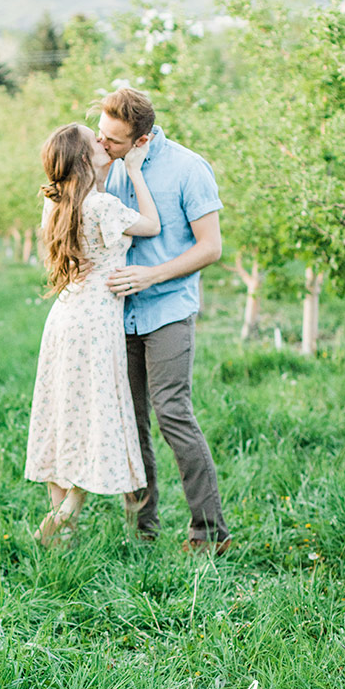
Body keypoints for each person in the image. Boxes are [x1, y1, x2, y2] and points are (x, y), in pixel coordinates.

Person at [96, 87, 230, 553]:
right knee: (130, 422)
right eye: (101, 134)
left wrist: (151, 275)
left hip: (168, 308)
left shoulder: (189, 169)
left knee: (173, 413)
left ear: (142, 139)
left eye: (113, 140)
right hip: (120, 313)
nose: (103, 145)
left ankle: (209, 532)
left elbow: (210, 247)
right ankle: (143, 529)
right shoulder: (110, 168)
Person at [24, 122, 161, 545]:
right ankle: (67, 511)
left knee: (63, 412)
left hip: (64, 316)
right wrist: (136, 171)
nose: (103, 142)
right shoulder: (102, 204)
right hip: (97, 323)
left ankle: (61, 522)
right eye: (95, 140)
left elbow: (53, 255)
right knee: (95, 415)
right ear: (85, 159)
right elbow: (152, 225)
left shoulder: (56, 204)